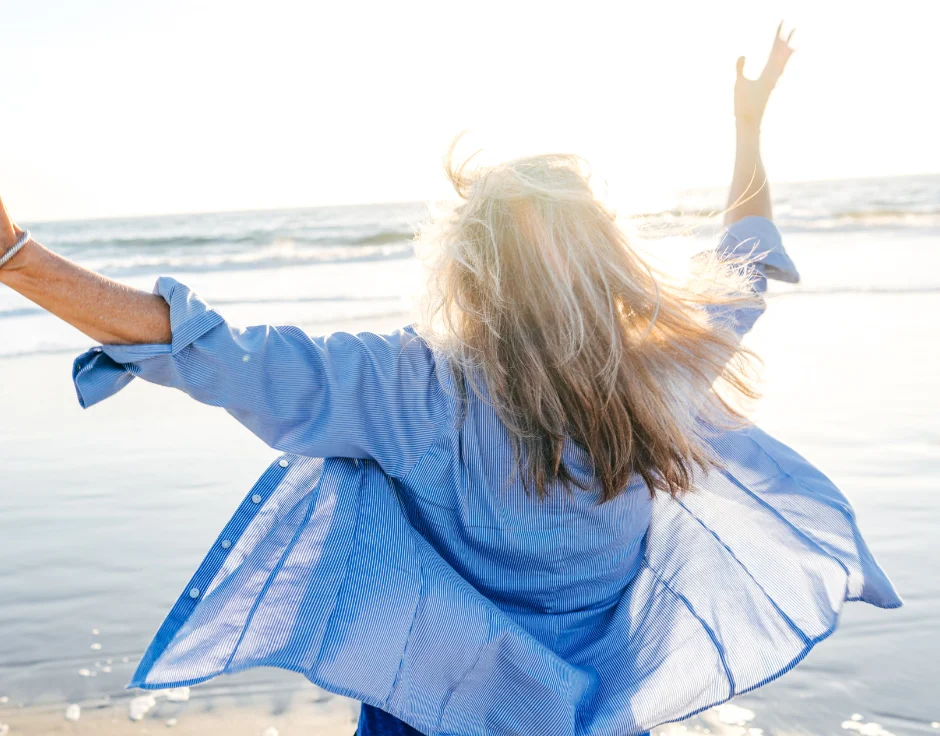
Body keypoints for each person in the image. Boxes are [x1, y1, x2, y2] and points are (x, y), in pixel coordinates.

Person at [0, 25, 900, 736]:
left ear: (472, 267)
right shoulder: (663, 368)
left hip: (432, 713)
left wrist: (19, 258)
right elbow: (745, 253)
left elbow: (214, 353)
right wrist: (748, 125)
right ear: (606, 258)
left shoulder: (416, 391)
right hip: (599, 715)